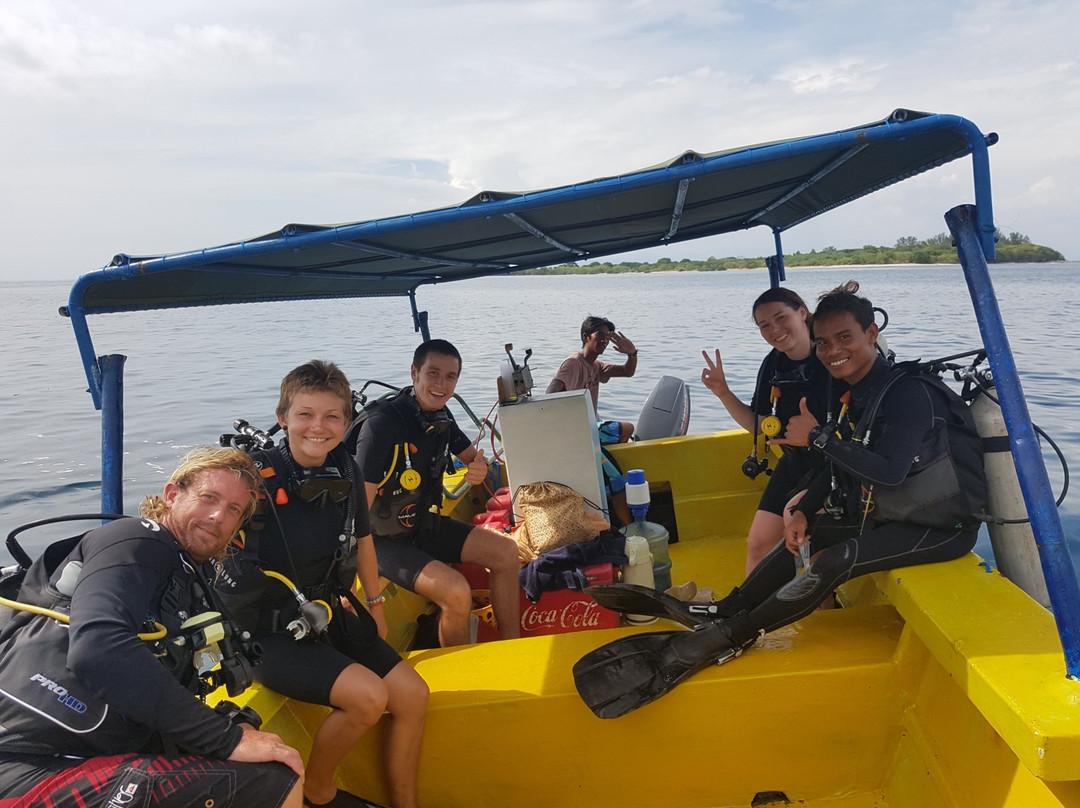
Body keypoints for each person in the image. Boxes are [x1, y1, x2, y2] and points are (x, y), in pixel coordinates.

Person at [0, 447, 305, 808]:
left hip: (83, 752)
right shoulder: (136, 540)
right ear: (172, 495)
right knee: (274, 782)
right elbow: (99, 648)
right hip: (27, 766)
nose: (218, 516)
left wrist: (227, 727)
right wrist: (226, 739)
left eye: (234, 510)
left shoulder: (189, 575)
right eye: (209, 498)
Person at [703, 280, 987, 659]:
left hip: (941, 526)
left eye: (844, 337)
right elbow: (845, 465)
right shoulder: (859, 391)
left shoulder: (908, 392)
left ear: (871, 334)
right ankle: (730, 607)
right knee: (809, 532)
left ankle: (737, 631)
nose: (833, 351)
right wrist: (806, 509)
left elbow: (889, 473)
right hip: (894, 513)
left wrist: (820, 438)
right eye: (824, 343)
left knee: (835, 560)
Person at [215, 361, 427, 808]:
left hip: (325, 612)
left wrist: (375, 604)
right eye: (305, 414)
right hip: (265, 635)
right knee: (370, 698)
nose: (318, 427)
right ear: (283, 418)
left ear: (347, 422)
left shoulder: (345, 466)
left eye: (332, 417)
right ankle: (318, 790)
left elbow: (364, 540)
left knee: (412, 694)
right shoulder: (253, 477)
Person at [353, 339, 521, 648]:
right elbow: (357, 511)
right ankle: (461, 674)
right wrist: (355, 584)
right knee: (456, 590)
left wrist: (478, 470)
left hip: (420, 525)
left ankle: (512, 647)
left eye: (450, 377)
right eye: (433, 373)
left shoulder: (441, 417)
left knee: (507, 554)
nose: (441, 385)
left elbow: (474, 458)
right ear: (414, 372)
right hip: (378, 541)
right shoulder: (382, 425)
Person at [701, 287, 841, 574]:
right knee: (758, 542)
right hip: (794, 461)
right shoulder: (773, 364)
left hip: (836, 465)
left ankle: (821, 614)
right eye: (764, 325)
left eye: (781, 318)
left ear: (802, 312)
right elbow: (760, 427)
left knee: (803, 535)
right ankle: (748, 615)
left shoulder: (831, 356)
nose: (774, 330)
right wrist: (723, 393)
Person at [547, 315, 638, 443]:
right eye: (600, 335)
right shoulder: (573, 363)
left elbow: (627, 372)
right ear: (586, 337)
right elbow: (550, 394)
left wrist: (632, 353)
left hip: (588, 426)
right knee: (627, 428)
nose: (604, 341)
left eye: (607, 337)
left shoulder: (597, 366)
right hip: (575, 430)